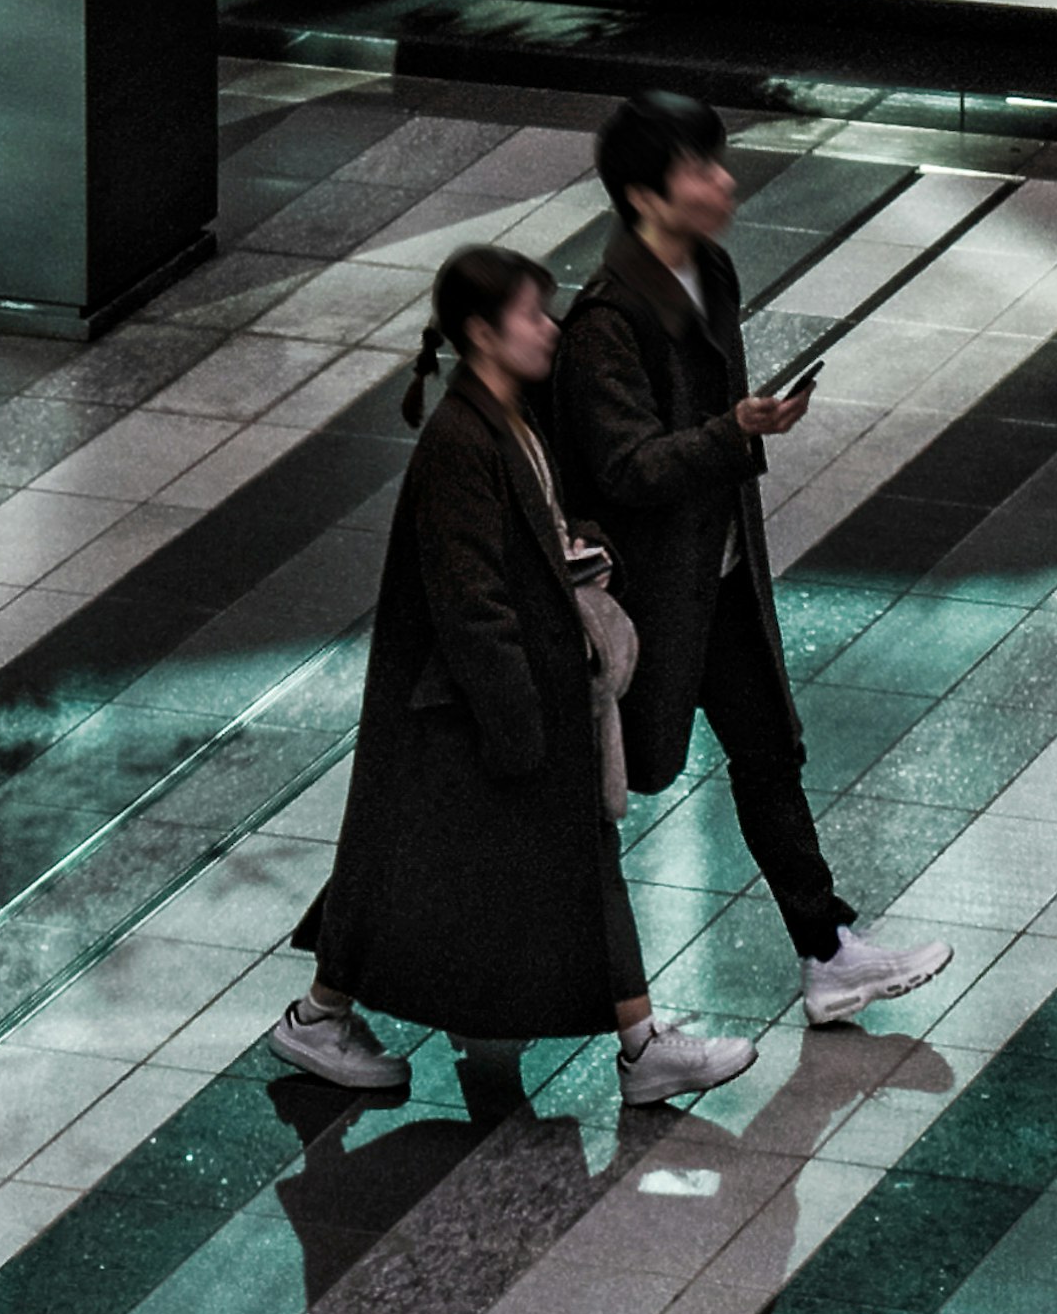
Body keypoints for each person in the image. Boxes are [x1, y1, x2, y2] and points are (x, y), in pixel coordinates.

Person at [271, 233, 755, 1111]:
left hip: (485, 708)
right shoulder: (464, 440)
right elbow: (470, 599)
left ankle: (322, 1012)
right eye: (532, 313)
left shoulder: (502, 420)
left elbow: (520, 548)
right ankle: (641, 1043)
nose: (550, 327)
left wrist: (578, 551)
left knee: (407, 861)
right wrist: (520, 720)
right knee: (533, 856)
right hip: (477, 710)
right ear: (483, 333)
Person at [554, 89, 948, 1031]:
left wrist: (736, 433)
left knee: (769, 748)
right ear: (647, 195)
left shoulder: (711, 272)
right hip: (646, 599)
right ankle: (494, 977)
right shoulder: (608, 323)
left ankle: (826, 950)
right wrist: (734, 431)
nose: (725, 182)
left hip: (716, 575)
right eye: (701, 168)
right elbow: (626, 465)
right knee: (597, 795)